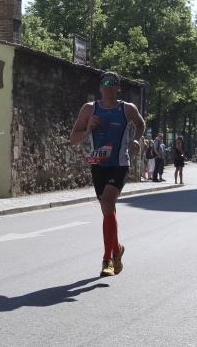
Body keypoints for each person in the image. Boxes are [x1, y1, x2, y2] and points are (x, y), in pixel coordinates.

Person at [70, 71, 146, 277]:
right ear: (100, 87)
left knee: (107, 202)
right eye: (105, 83)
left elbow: (140, 124)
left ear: (118, 87)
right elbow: (73, 139)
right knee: (107, 209)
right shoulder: (89, 109)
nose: (109, 87)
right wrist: (88, 130)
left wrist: (136, 139)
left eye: (113, 83)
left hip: (119, 164)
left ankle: (107, 260)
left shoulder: (127, 108)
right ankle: (117, 248)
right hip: (98, 165)